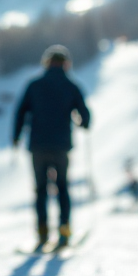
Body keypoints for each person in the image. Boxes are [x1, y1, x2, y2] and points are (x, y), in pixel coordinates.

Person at [13, 45, 90, 250]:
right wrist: (83, 123)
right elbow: (85, 116)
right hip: (61, 146)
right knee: (62, 188)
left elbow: (20, 113)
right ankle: (64, 232)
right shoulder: (71, 86)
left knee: (41, 190)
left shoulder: (34, 85)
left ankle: (42, 234)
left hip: (37, 145)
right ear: (66, 63)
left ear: (46, 63)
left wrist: (16, 137)